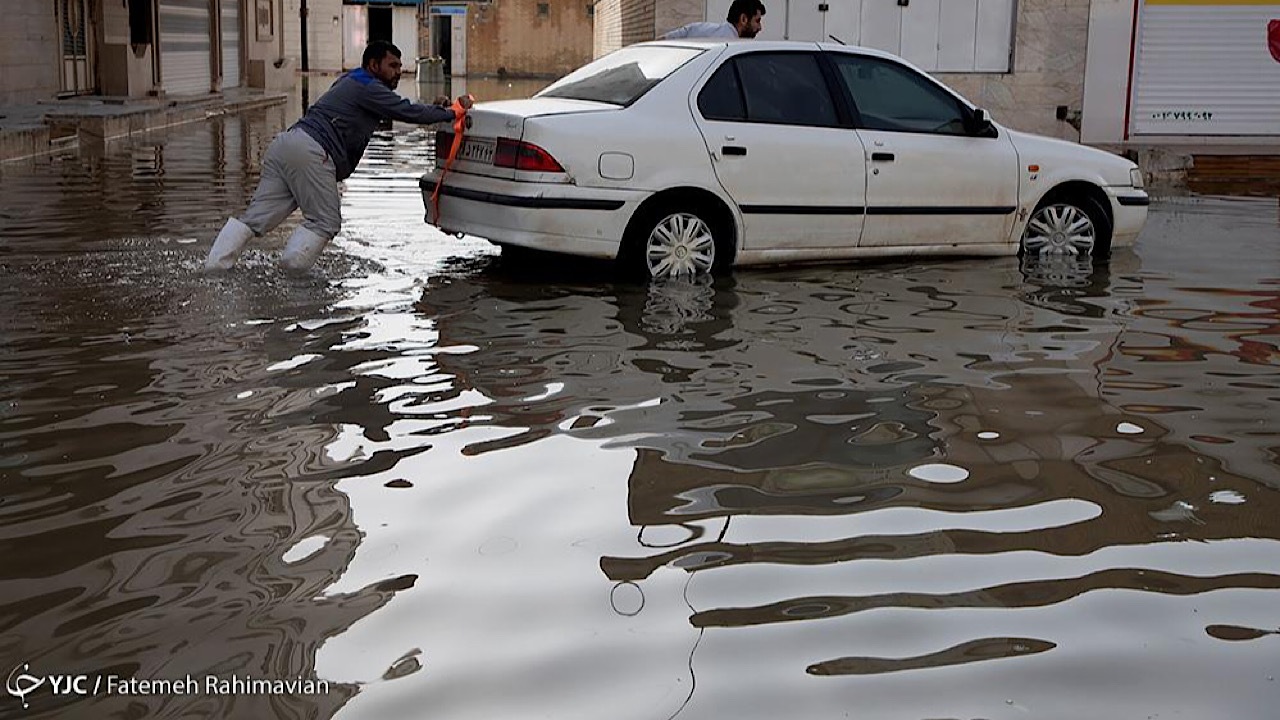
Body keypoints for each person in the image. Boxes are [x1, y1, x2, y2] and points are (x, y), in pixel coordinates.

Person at [204, 40, 471, 272]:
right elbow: (409, 113)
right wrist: (453, 112)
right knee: (325, 222)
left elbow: (397, 110)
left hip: (286, 145)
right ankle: (291, 278)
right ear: (373, 65)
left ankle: (213, 269)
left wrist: (432, 108)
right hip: (312, 152)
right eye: (392, 66)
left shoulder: (350, 80)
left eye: (400, 66)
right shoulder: (370, 88)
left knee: (255, 218)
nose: (398, 72)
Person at [662, 0, 765, 40]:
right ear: (743, 19)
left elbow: (664, 39)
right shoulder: (730, 48)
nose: (760, 28)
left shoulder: (699, 28)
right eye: (757, 21)